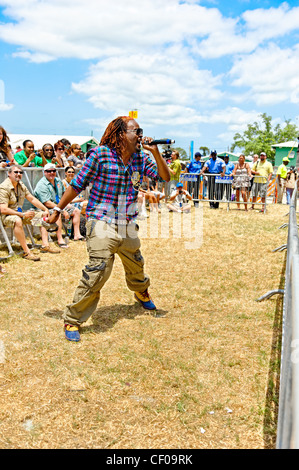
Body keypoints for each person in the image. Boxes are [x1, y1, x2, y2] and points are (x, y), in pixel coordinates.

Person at [47, 115, 170, 342]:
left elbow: (165, 177)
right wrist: (57, 208)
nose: (141, 135)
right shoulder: (100, 154)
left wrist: (155, 151)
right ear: (121, 134)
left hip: (126, 222)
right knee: (99, 268)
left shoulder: (141, 157)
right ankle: (73, 318)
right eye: (137, 131)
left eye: (142, 131)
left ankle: (141, 291)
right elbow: (77, 185)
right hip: (101, 219)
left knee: (136, 263)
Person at [0, 165, 60, 260]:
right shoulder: (4, 187)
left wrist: (45, 209)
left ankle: (45, 245)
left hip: (21, 214)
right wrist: (22, 214)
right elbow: (3, 209)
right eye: (16, 172)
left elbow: (31, 198)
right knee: (18, 220)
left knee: (43, 216)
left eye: (20, 172)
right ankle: (26, 252)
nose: (18, 174)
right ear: (9, 173)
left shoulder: (20, 184)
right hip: (6, 217)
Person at [34, 163, 85, 247]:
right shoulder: (41, 184)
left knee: (76, 210)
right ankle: (60, 239)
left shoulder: (58, 181)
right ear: (44, 172)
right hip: (45, 209)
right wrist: (61, 209)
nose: (51, 173)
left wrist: (66, 204)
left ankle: (77, 235)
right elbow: (47, 202)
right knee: (57, 213)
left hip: (58, 206)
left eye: (53, 171)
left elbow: (64, 194)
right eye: (48, 171)